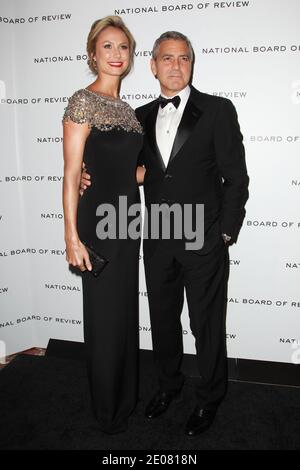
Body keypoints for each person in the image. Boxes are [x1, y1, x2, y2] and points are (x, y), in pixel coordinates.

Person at [80, 31, 249, 437]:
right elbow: (126, 170)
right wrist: (89, 177)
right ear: (153, 65)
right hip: (155, 239)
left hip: (202, 238)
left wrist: (225, 233)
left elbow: (236, 177)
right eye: (167, 58)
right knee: (162, 323)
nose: (176, 65)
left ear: (192, 64)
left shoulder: (217, 110)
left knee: (206, 325)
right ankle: (168, 386)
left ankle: (209, 398)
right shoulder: (138, 117)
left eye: (184, 58)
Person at [62, 16, 144, 434]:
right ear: (93, 53)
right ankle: (107, 410)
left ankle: (125, 400)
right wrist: (71, 236)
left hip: (128, 220)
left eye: (123, 47)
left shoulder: (128, 112)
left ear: (130, 57)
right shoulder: (82, 101)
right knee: (105, 317)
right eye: (107, 47)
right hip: (97, 223)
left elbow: (131, 170)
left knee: (125, 314)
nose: (116, 55)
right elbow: (72, 173)